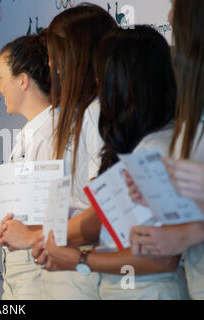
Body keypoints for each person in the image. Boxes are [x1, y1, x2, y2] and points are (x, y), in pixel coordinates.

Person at [32, 26, 189, 300]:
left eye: (102, 74)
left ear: (125, 80)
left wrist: (80, 259)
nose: (96, 81)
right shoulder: (144, 144)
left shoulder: (156, 149)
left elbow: (162, 258)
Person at [0, 4, 117, 299]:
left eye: (55, 57)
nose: (51, 67)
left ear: (76, 54)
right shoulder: (82, 115)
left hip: (81, 264)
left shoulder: (93, 115)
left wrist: (33, 235)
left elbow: (101, 213)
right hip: (66, 261)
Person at [0, 34, 54, 299]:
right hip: (18, 268)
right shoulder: (29, 132)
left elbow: (59, 211)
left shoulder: (54, 133)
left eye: (1, 76)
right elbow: (29, 206)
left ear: (23, 80)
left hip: (41, 267)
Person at [128, 0, 204, 299]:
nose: (170, 15)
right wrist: (161, 197)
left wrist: (189, 233)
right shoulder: (190, 107)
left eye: (177, 4)